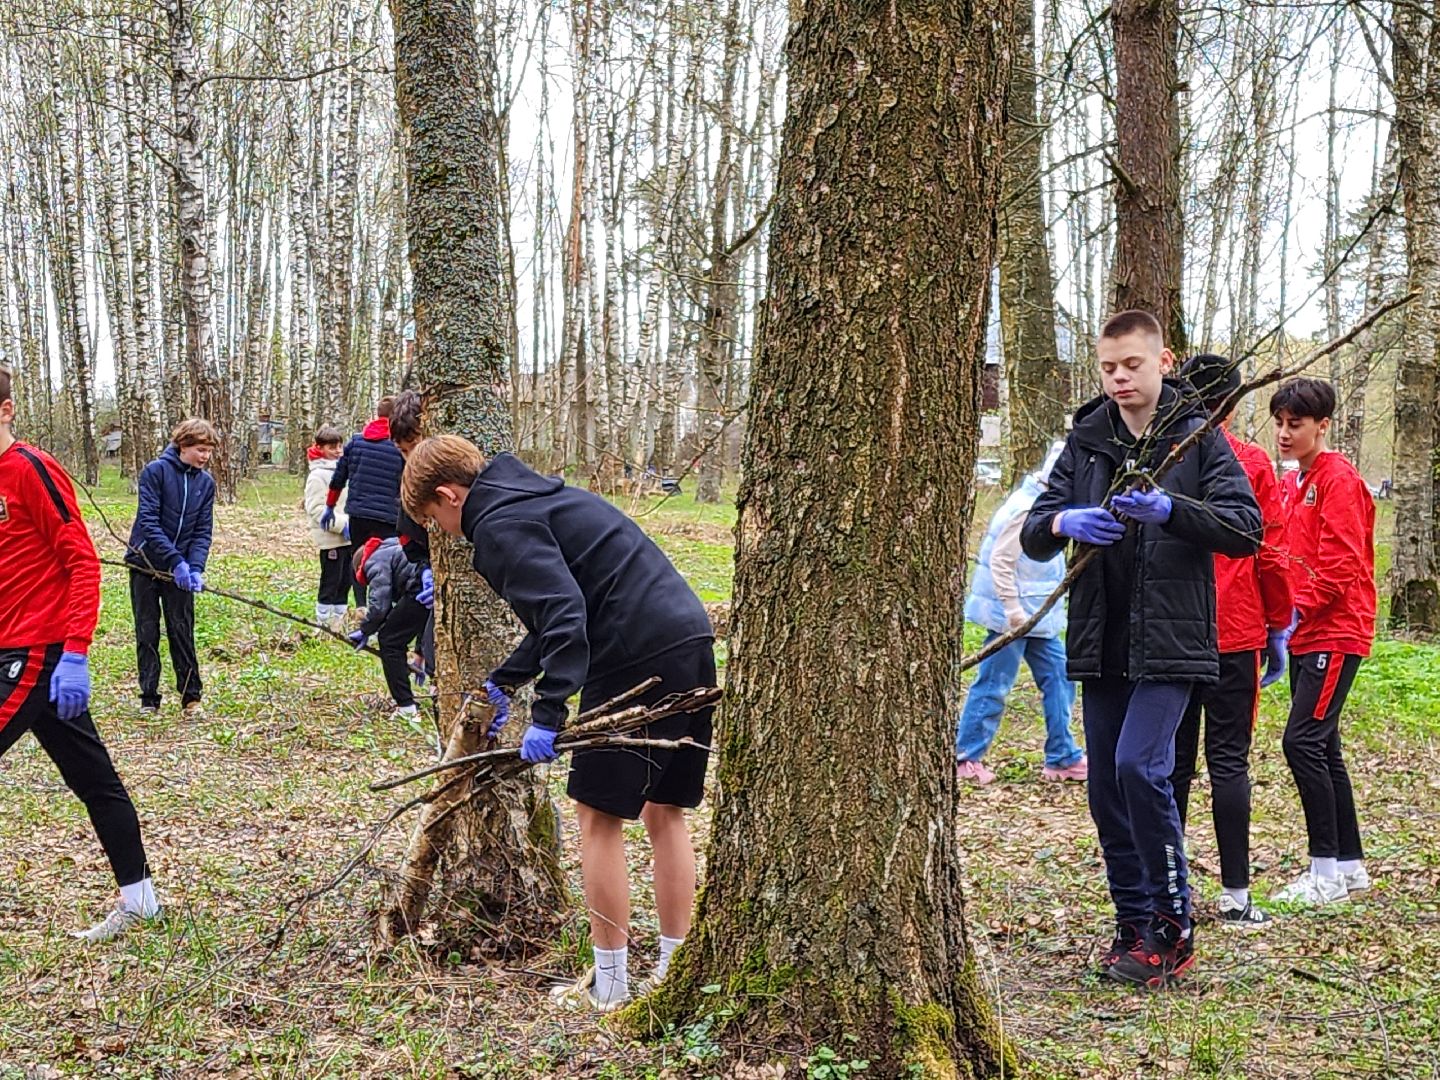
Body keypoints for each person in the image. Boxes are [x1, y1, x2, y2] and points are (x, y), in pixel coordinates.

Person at [400, 435, 715, 1012]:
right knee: (663, 810)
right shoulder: (534, 496)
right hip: (686, 636)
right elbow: (562, 610)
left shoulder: (498, 525)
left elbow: (565, 616)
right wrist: (507, 679)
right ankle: (676, 972)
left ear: (448, 495)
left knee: (597, 817)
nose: (438, 531)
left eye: (431, 519)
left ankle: (611, 986)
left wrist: (547, 713)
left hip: (633, 656)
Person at [1020, 310, 1261, 990]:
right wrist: (1064, 521)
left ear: (1164, 362)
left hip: (1172, 643)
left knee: (1139, 768)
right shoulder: (1088, 439)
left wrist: (1173, 512)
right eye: (1108, 368)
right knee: (1105, 789)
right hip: (1102, 641)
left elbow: (1246, 528)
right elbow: (1035, 531)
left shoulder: (1197, 437)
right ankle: (1133, 925)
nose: (1120, 378)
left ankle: (1172, 924)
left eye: (1132, 364)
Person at [0, 366, 163, 942]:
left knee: (93, 777)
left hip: (35, 650)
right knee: (93, 777)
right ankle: (140, 899)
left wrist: (75, 651)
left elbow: (82, 561)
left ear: (6, 410)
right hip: (8, 644)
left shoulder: (31, 469)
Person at [1170, 354, 1293, 929]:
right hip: (1234, 632)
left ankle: (1168, 892)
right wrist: (1278, 623)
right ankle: (1236, 896)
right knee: (1227, 762)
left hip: (1175, 632)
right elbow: (1271, 551)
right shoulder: (1250, 462)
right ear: (1234, 404)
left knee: (1171, 764)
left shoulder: (1164, 458)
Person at [1268, 377, 1375, 906]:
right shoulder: (1296, 481)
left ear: (1322, 425)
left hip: (1335, 629)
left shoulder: (1338, 479)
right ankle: (1349, 867)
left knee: (1302, 742)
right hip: (1306, 632)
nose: (1285, 433)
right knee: (1324, 745)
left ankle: (1324, 873)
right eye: (1280, 423)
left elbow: (1342, 561)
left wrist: (1297, 610)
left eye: (1297, 424)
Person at [956, 440, 1086, 785]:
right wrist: (1013, 612)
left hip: (1037, 617)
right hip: (1012, 617)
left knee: (1060, 678)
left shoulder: (1046, 505)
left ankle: (1062, 756)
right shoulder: (1027, 509)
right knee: (993, 684)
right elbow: (1001, 561)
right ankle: (966, 756)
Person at [125, 419, 217, 719]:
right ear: (183, 446)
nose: (205, 456)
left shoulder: (206, 484)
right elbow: (148, 522)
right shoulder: (156, 472)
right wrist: (175, 560)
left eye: (209, 451)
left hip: (182, 571)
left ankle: (191, 697)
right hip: (145, 563)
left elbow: (202, 531)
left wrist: (195, 566)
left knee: (181, 629)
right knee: (147, 630)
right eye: (200, 450)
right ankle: (149, 697)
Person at [323, 397, 406, 605]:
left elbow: (338, 478)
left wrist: (330, 507)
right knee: (389, 559)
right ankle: (386, 605)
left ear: (377, 414)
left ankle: (361, 605)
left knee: (358, 558)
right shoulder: (400, 446)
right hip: (389, 516)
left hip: (359, 514)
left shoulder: (356, 442)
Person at [348, 537, 429, 732]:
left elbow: (380, 605)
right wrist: (421, 650)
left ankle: (406, 707)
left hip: (419, 585)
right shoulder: (391, 546)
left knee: (390, 641)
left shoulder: (373, 561)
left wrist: (366, 630)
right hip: (427, 580)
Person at [304, 426, 352, 631]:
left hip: (349, 537)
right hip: (330, 538)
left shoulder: (345, 469)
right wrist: (342, 524)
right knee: (331, 580)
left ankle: (339, 621)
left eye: (340, 446)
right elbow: (316, 509)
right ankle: (322, 622)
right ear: (320, 448)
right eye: (332, 447)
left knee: (346, 580)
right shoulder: (317, 475)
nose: (338, 451)